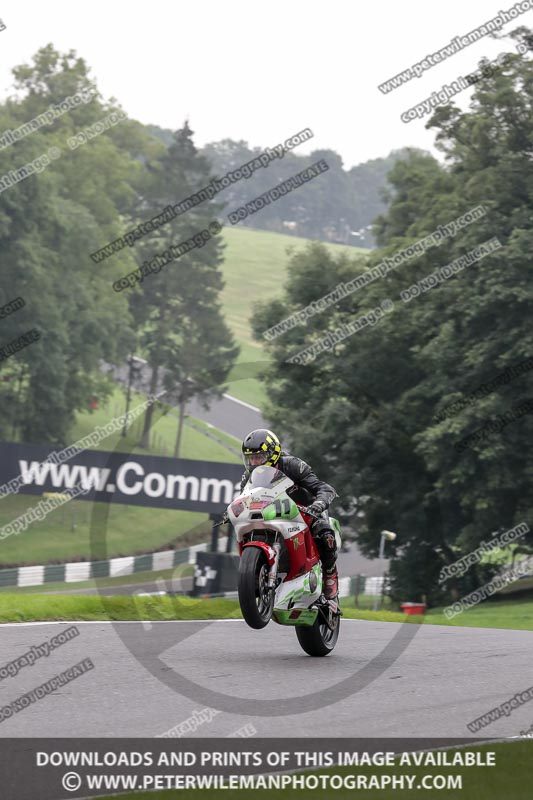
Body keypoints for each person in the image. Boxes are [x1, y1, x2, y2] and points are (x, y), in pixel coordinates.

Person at [239, 428, 339, 600]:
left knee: (325, 534)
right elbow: (244, 499)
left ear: (273, 453)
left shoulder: (293, 466)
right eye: (251, 458)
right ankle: (257, 575)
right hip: (274, 512)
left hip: (307, 510)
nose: (254, 463)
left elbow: (323, 488)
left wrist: (318, 504)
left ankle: (330, 573)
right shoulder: (249, 476)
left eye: (258, 457)